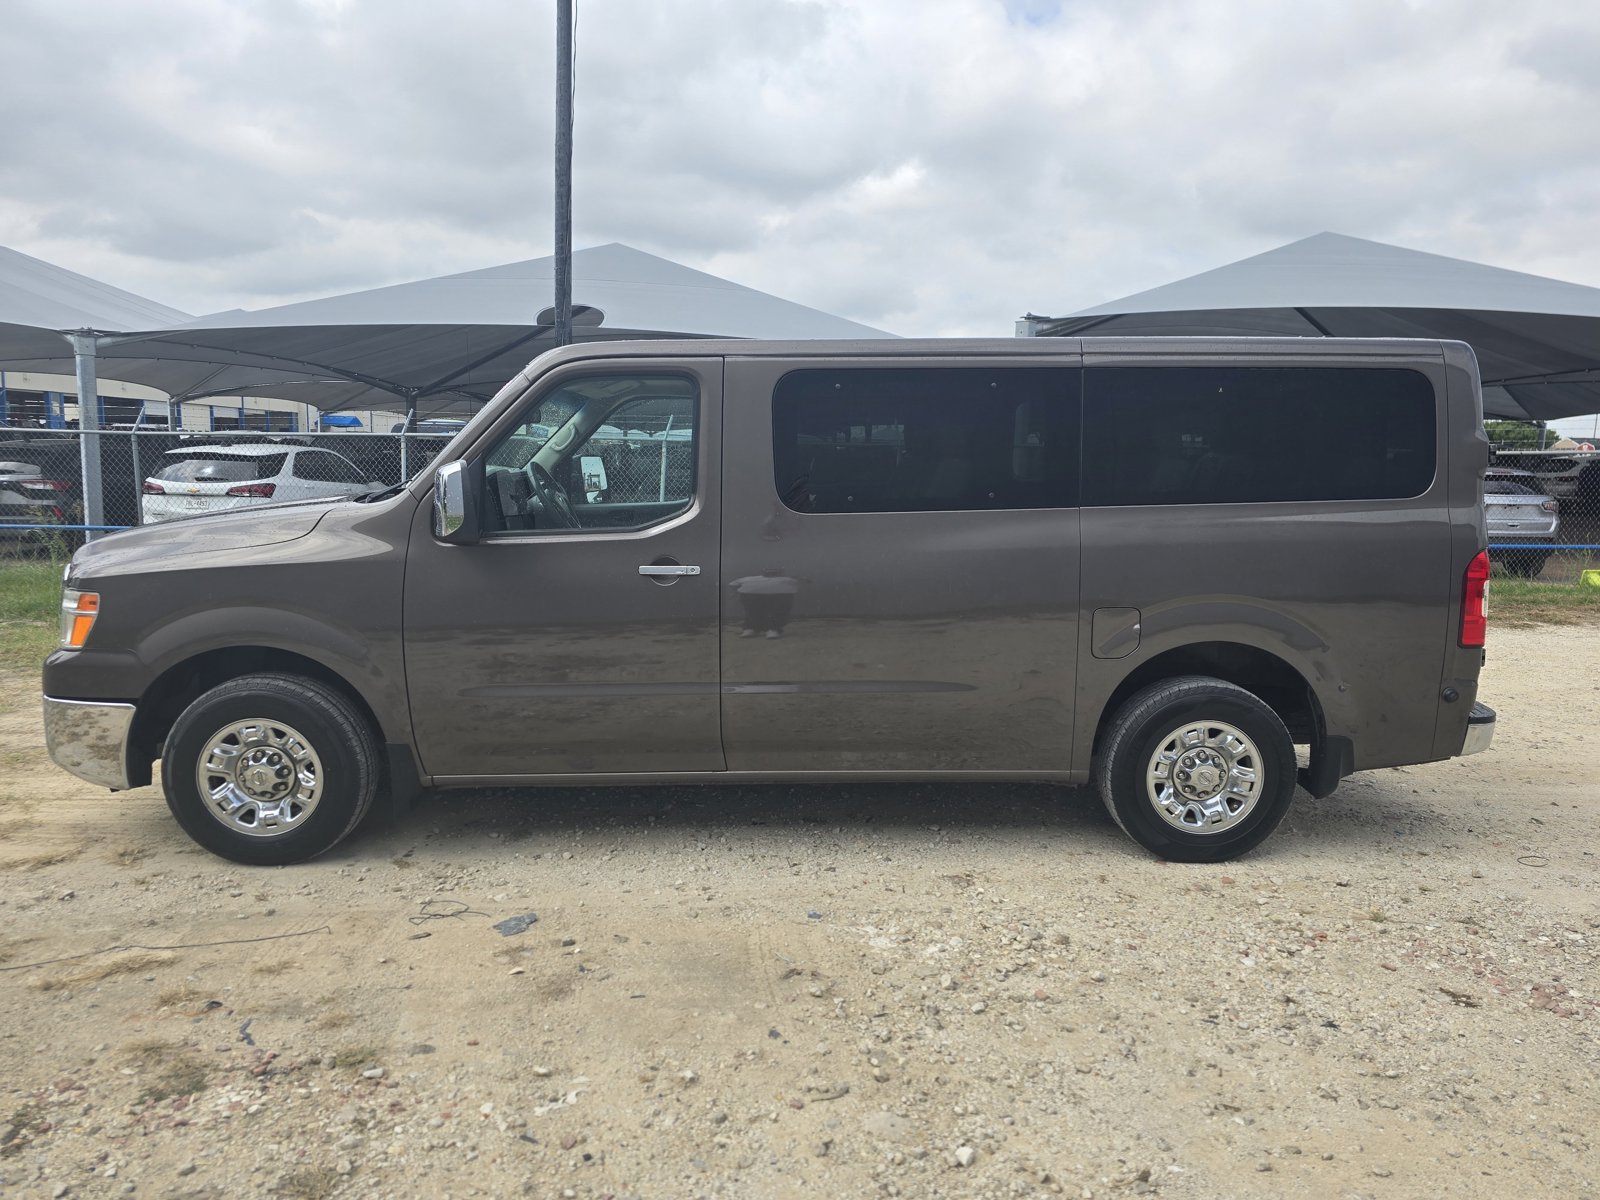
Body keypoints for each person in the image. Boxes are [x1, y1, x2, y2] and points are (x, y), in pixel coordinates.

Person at [729, 568, 801, 638]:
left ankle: (773, 628)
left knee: (782, 602)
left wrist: (796, 578)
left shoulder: (787, 579)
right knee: (751, 606)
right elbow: (733, 584)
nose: (771, 572)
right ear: (762, 571)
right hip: (753, 596)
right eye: (768, 570)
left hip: (778, 596)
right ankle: (751, 628)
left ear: (780, 572)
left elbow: (805, 581)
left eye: (774, 571)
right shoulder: (749, 578)